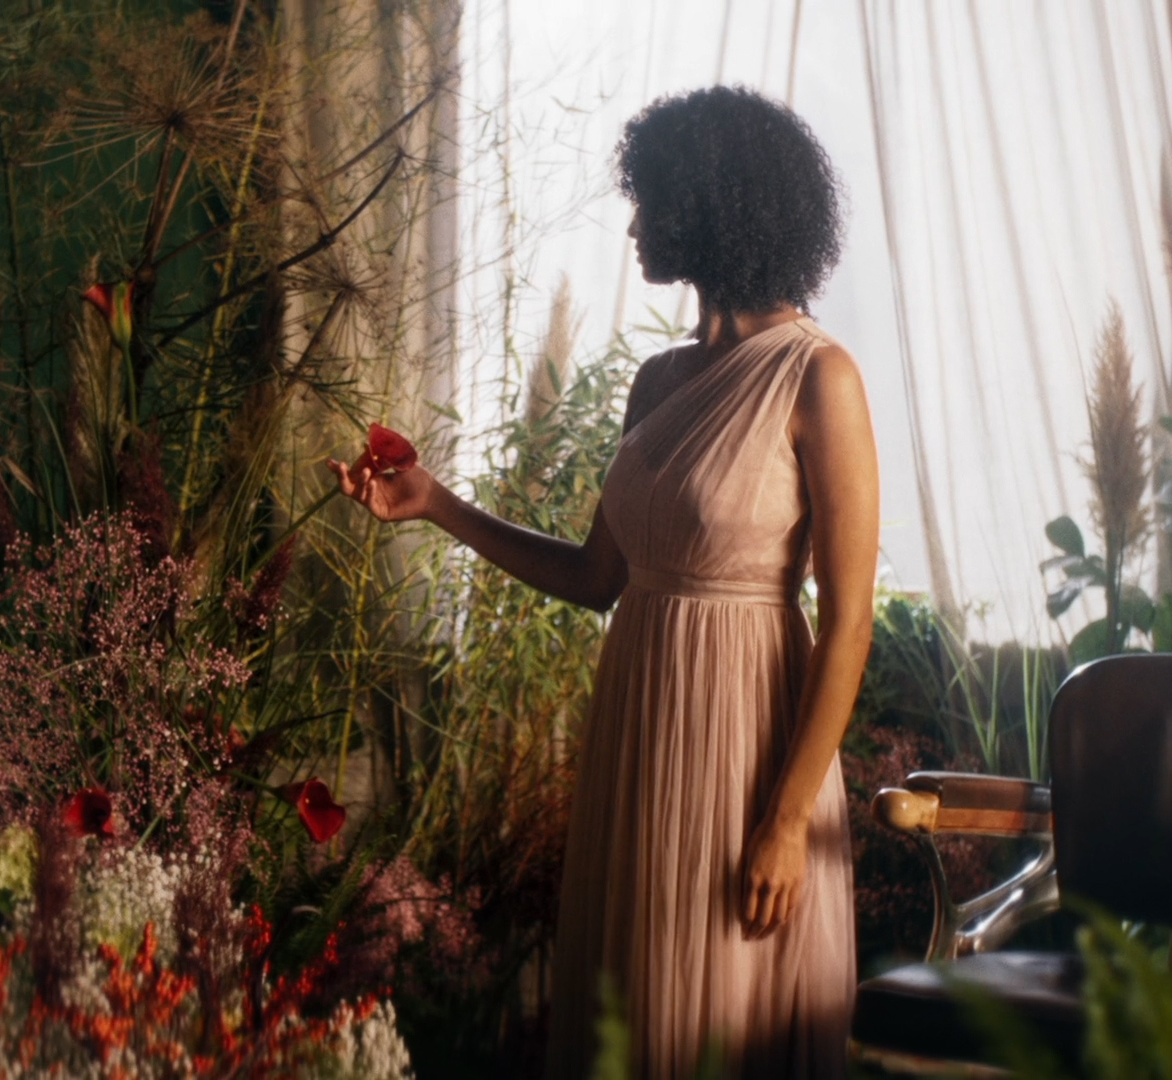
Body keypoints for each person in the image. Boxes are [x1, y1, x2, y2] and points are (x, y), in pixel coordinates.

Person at [330, 86, 876, 1078]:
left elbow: (846, 626)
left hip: (749, 747)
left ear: (711, 206)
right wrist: (437, 505)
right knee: (632, 1014)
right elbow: (594, 577)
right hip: (644, 738)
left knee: (719, 1019)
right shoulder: (658, 381)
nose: (636, 223)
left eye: (651, 199)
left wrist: (789, 820)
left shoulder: (817, 377)